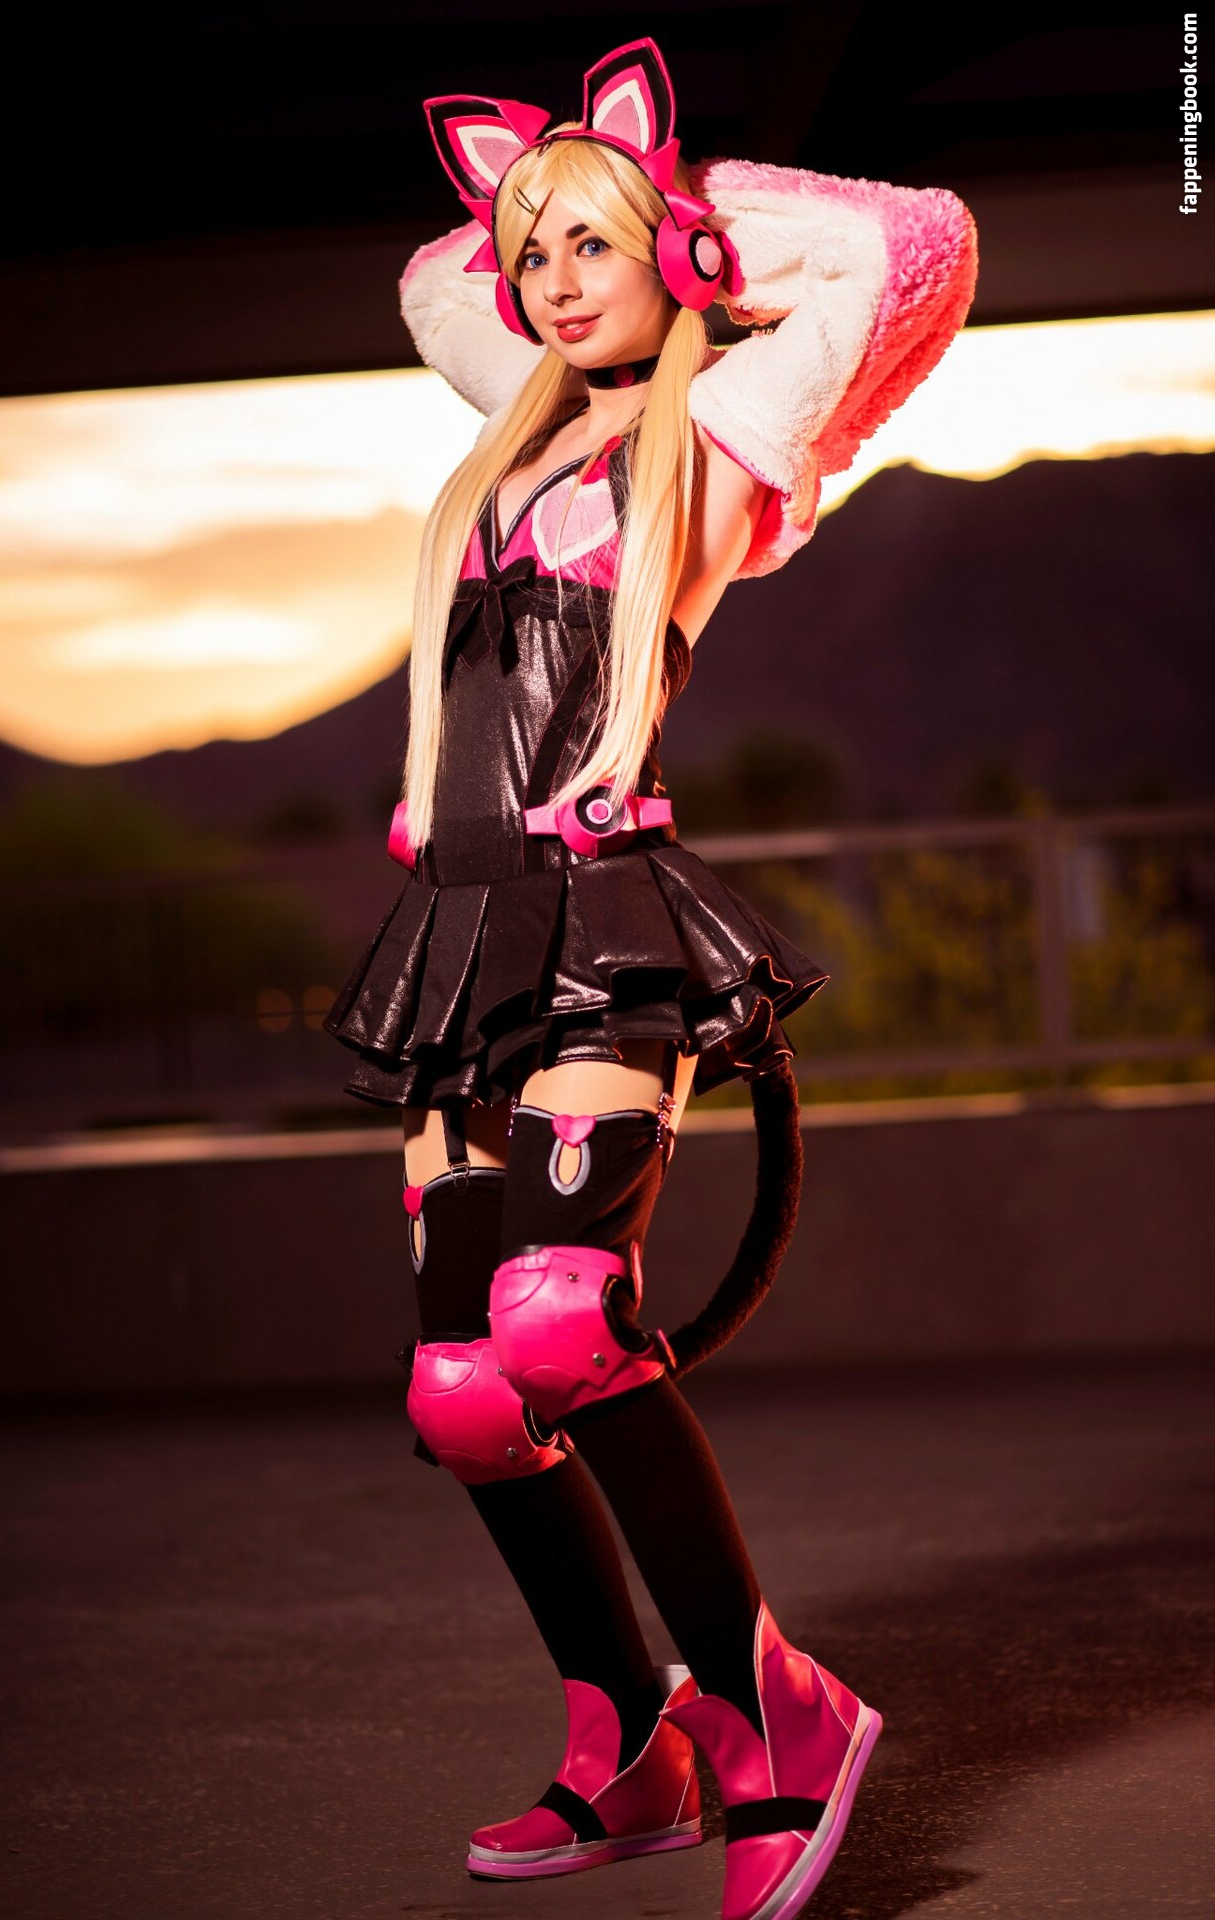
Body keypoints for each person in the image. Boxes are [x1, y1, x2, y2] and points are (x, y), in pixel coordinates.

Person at [325, 37, 977, 1920]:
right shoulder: (512, 437)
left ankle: (773, 1710)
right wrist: (548, 195)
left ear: (670, 258)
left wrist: (691, 220)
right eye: (531, 253)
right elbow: (432, 282)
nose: (547, 280)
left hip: (596, 918)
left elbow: (909, 246)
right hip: (457, 933)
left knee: (556, 1320)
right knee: (467, 1391)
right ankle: (628, 1739)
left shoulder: (726, 430)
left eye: (589, 247)